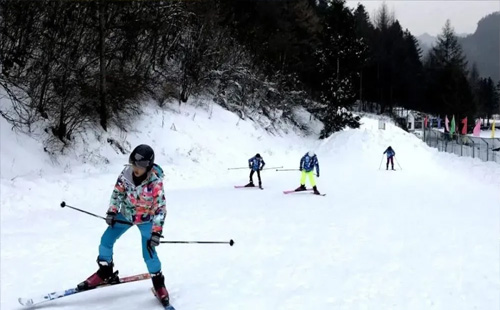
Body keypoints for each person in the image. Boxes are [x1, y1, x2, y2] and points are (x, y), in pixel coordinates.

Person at [77, 144, 169, 305]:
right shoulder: (126, 174)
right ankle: (105, 270)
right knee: (106, 240)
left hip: (146, 219)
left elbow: (160, 209)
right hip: (125, 215)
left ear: (148, 167)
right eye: (133, 163)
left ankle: (158, 282)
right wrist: (112, 212)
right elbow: (117, 193)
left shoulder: (155, 182)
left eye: (140, 166)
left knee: (148, 252)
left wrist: (156, 232)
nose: (136, 168)